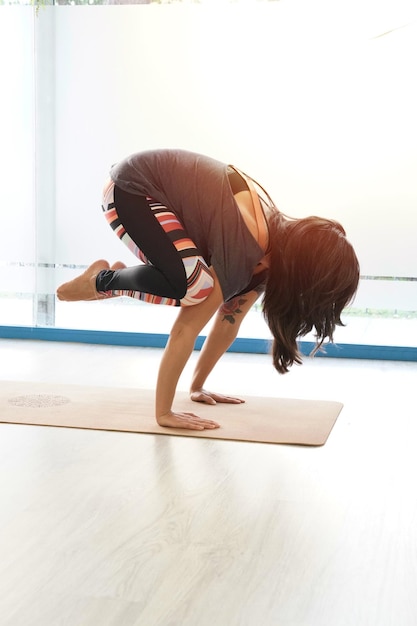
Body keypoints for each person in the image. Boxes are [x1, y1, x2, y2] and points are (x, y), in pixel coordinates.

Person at [57, 149, 360, 431]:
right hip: (130, 189)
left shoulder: (267, 261)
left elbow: (229, 322)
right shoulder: (246, 244)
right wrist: (164, 413)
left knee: (200, 285)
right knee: (196, 287)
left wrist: (197, 386)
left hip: (154, 196)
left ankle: (110, 280)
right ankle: (103, 281)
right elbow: (185, 329)